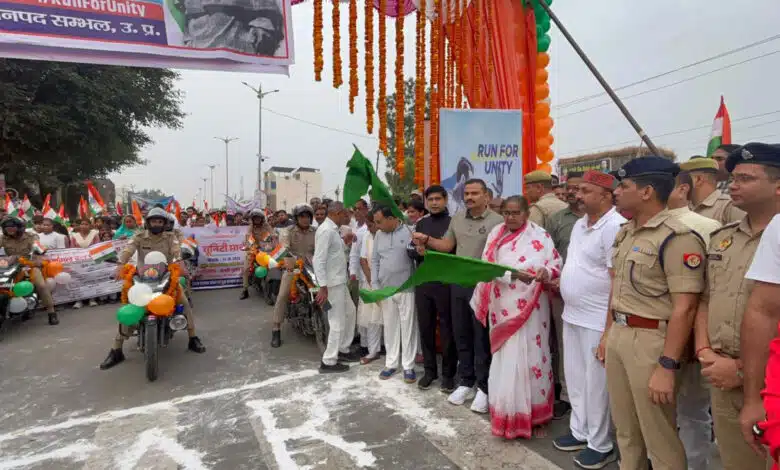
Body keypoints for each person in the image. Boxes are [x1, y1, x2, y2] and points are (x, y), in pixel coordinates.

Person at [603, 156, 707, 470]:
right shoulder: (626, 232)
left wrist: (667, 365)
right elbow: (617, 289)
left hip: (651, 342)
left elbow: (685, 307)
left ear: (647, 192)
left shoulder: (678, 238)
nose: (616, 192)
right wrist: (607, 334)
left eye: (623, 186)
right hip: (620, 334)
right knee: (626, 431)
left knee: (659, 436)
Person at [689, 143, 780, 470]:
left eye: (746, 178)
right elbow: (706, 299)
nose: (734, 186)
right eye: (734, 178)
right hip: (721, 374)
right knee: (735, 461)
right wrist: (705, 352)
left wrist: (742, 369)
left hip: (770, 382)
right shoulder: (723, 237)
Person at [471, 195, 562, 438]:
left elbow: (556, 263)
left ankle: (535, 414)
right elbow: (487, 267)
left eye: (515, 213)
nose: (510, 217)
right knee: (507, 356)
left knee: (534, 354)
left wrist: (545, 272)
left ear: (526, 214)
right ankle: (507, 413)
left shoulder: (540, 235)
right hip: (503, 305)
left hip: (534, 307)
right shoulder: (496, 235)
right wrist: (513, 275)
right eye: (506, 213)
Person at [553, 171, 624, 469]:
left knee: (596, 386)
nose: (577, 195)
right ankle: (580, 431)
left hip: (597, 320)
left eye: (585, 191)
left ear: (606, 195)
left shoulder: (615, 226)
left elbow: (616, 280)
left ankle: (600, 443)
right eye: (577, 190)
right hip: (572, 314)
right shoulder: (581, 224)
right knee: (576, 379)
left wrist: (609, 330)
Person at [413, 178, 503, 412]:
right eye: (467, 193)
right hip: (458, 285)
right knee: (461, 334)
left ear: (486, 196)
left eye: (475, 193)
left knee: (480, 338)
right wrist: (427, 240)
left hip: (483, 287)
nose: (469, 197)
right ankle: (466, 381)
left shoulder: (497, 221)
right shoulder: (458, 218)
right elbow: (446, 246)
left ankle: (484, 387)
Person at [665, 168, 723, 470]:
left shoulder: (707, 227)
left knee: (692, 407)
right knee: (659, 407)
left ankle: (694, 463)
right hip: (654, 330)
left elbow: (711, 288)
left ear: (683, 189)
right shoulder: (642, 226)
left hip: (692, 332)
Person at [100, 208, 205, 370]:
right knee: (129, 307)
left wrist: (181, 264)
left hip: (166, 276)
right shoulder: (139, 236)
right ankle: (116, 350)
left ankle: (193, 338)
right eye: (154, 221)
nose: (156, 224)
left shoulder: (170, 237)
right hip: (142, 277)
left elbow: (177, 252)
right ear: (148, 223)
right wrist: (120, 265)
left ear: (164, 224)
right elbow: (128, 250)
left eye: (160, 221)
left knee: (184, 302)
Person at [407, 185, 457, 392]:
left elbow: (454, 250)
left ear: (445, 200)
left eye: (438, 199)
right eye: (431, 200)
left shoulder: (453, 222)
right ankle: (429, 371)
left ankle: (448, 375)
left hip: (445, 281)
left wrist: (431, 248)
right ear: (426, 202)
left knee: (447, 329)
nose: (434, 203)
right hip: (424, 282)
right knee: (425, 327)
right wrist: (417, 251)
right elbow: (409, 249)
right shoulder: (421, 223)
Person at [371, 205, 418, 382]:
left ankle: (408, 366)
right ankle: (391, 364)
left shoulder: (409, 231)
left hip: (407, 288)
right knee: (390, 327)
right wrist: (375, 286)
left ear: (391, 219)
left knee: (408, 328)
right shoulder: (378, 235)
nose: (377, 226)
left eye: (379, 222)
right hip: (386, 290)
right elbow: (375, 260)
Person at [314, 202, 358, 373]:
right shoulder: (326, 230)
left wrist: (345, 243)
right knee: (337, 321)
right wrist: (322, 286)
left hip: (339, 281)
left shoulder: (333, 230)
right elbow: (319, 260)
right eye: (345, 214)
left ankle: (343, 349)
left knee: (350, 312)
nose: (347, 218)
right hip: (332, 284)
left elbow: (334, 254)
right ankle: (329, 361)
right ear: (337, 213)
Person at [272, 204, 316, 348]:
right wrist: (288, 261)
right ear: (297, 218)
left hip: (313, 268)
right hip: (294, 267)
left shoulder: (315, 231)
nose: (305, 219)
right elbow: (284, 247)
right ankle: (276, 328)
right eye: (302, 216)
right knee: (283, 294)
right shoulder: (288, 231)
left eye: (308, 216)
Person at [0, 217, 58, 325]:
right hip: (12, 267)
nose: (9, 230)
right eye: (7, 228)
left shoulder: (31, 236)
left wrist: (38, 255)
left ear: (19, 227)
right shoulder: (3, 238)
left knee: (41, 285)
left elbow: (39, 249)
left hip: (30, 265)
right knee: (4, 285)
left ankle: (51, 313)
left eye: (12, 227)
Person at [679, 157, 745, 225]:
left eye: (682, 179)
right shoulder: (682, 206)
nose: (678, 184)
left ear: (698, 179)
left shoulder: (730, 206)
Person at [357, 212, 383, 363]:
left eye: (371, 224)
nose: (368, 228)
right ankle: (373, 351)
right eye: (367, 225)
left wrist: (377, 281)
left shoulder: (385, 235)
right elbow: (363, 260)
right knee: (371, 318)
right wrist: (371, 279)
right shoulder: (367, 236)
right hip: (370, 282)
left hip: (385, 282)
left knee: (384, 318)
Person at [239, 209, 277, 300]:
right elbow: (248, 237)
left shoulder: (266, 225)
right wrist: (249, 246)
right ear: (252, 219)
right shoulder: (251, 227)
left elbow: (273, 234)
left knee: (276, 265)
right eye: (255, 218)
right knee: (246, 268)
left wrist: (275, 239)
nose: (257, 219)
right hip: (253, 250)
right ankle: (245, 289)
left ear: (262, 218)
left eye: (258, 217)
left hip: (265, 250)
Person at [70, 218, 101, 309]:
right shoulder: (74, 236)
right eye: (82, 224)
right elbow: (71, 249)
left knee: (91, 279)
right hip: (78, 262)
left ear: (90, 226)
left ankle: (92, 299)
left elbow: (97, 247)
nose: (83, 226)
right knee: (79, 280)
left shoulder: (94, 235)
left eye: (86, 224)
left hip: (91, 261)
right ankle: (79, 300)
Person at [348, 199, 369, 307]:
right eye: (354, 209)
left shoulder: (370, 227)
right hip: (359, 273)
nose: (356, 211)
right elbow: (354, 253)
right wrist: (352, 272)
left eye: (359, 209)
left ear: (366, 210)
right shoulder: (353, 227)